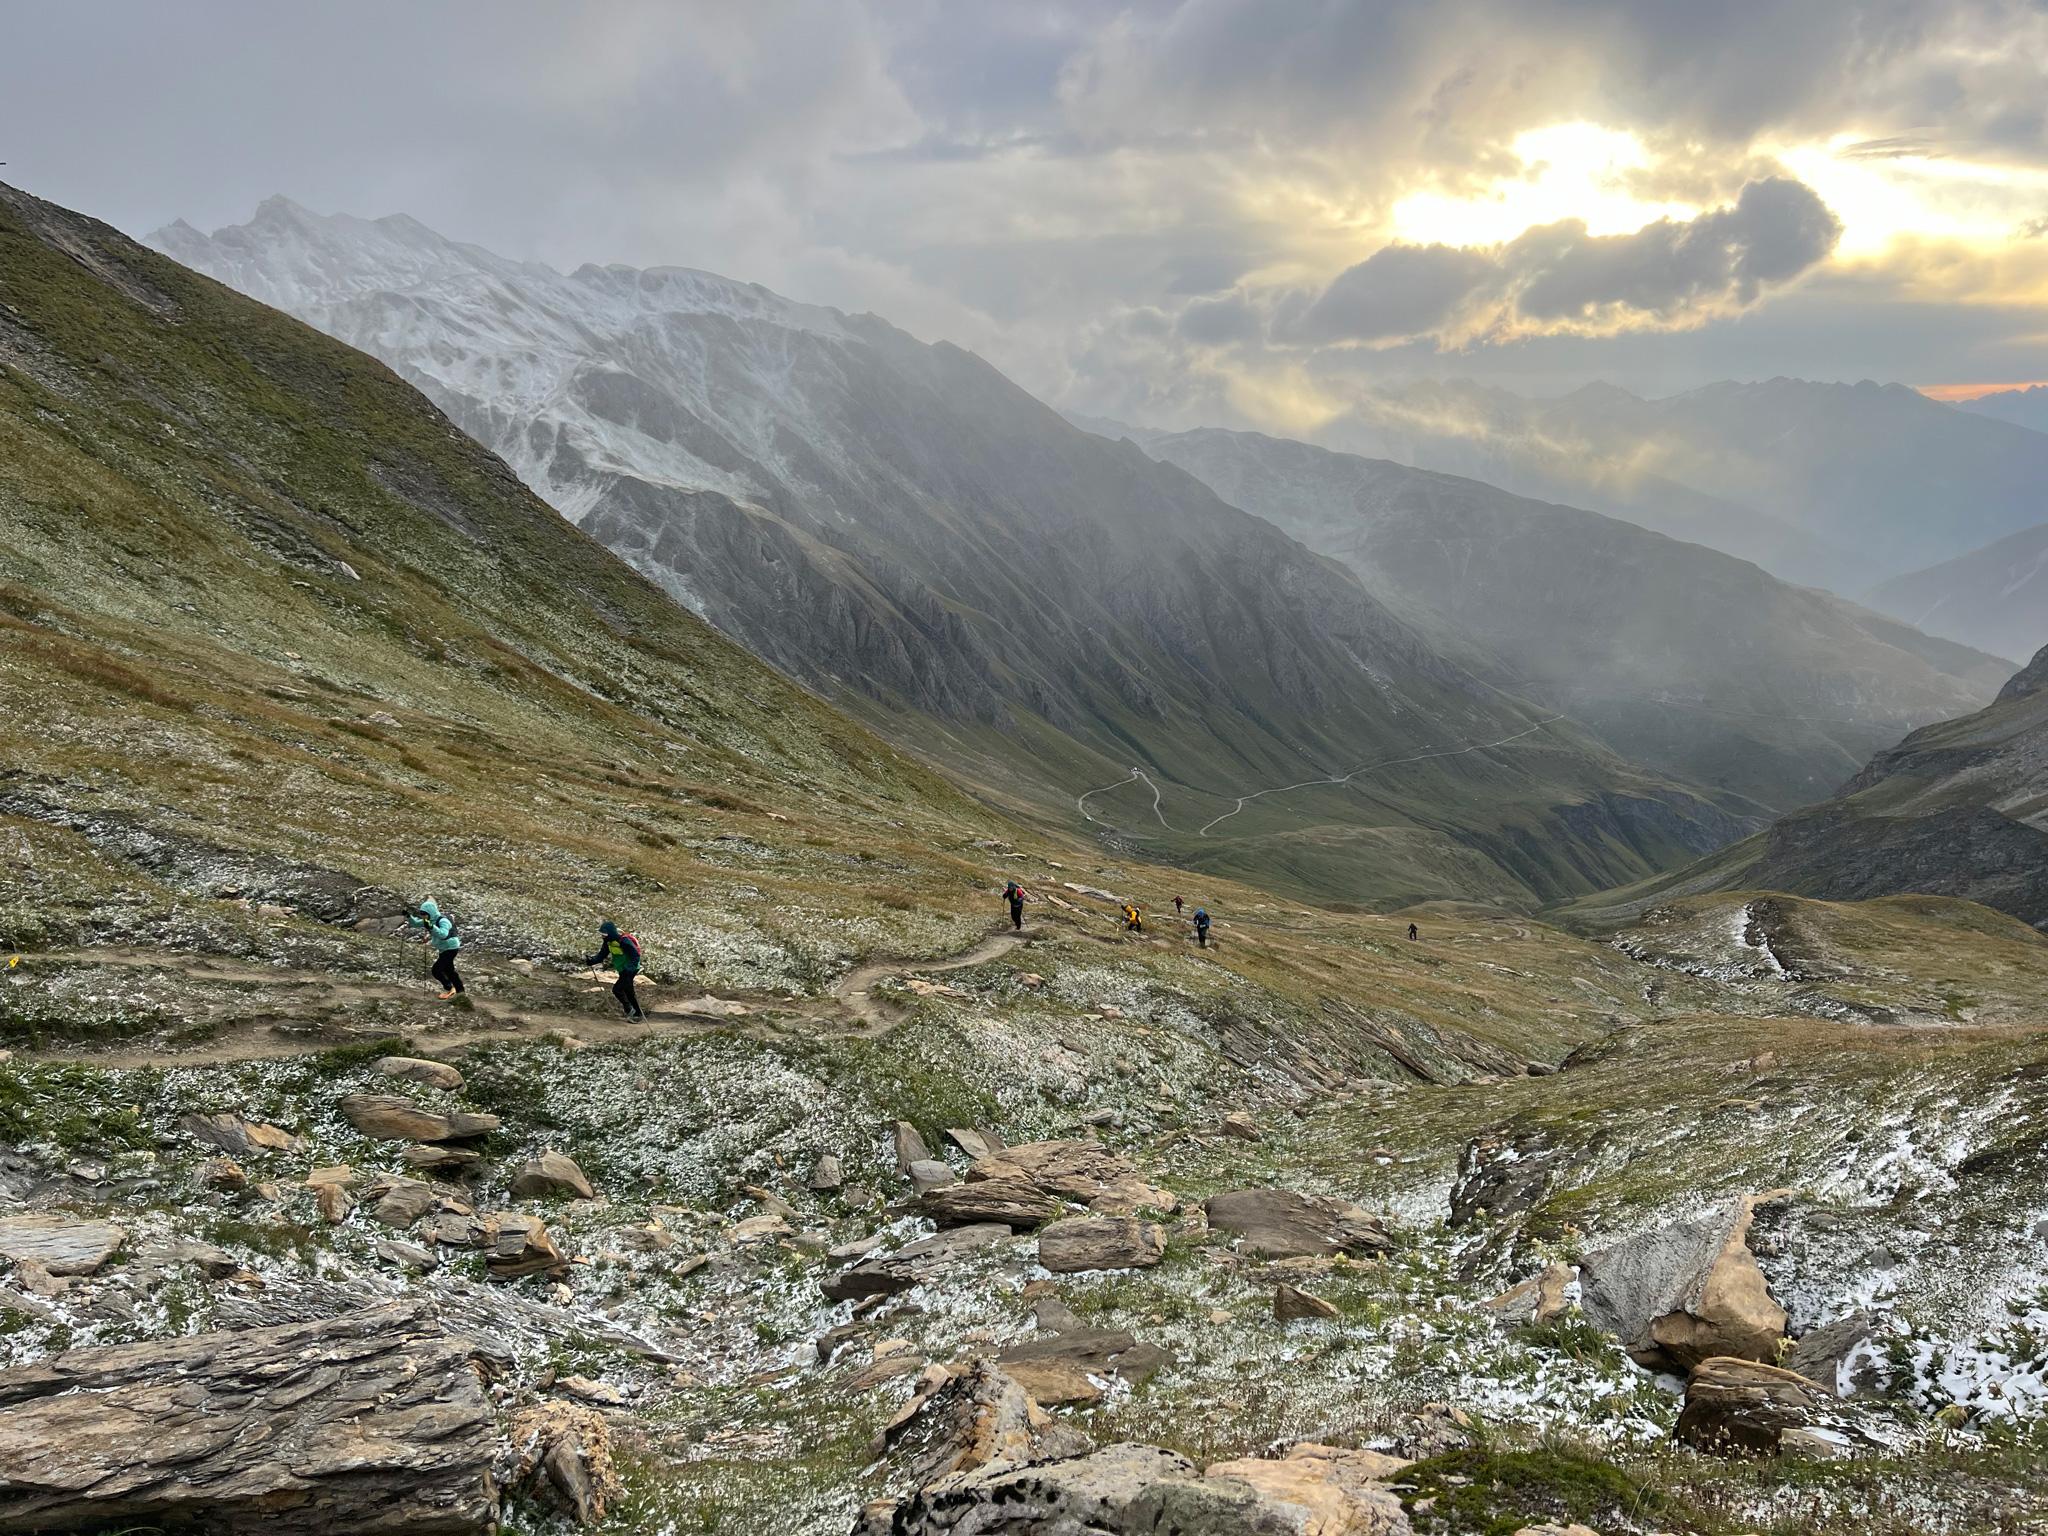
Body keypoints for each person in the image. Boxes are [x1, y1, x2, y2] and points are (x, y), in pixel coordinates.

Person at [582, 921, 644, 1019]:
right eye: (602, 934)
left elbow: (635, 955)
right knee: (628, 990)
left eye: (604, 934)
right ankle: (637, 1013)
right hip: (623, 969)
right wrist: (592, 961)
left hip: (629, 970)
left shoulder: (624, 941)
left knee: (617, 990)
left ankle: (631, 1011)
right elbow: (602, 955)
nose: (602, 936)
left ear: (610, 933)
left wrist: (629, 968)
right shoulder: (608, 942)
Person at [408, 898, 464, 999]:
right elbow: (415, 923)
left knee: (436, 970)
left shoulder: (443, 921)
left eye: (424, 914)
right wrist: (408, 917)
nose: (423, 916)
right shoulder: (429, 920)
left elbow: (443, 934)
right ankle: (459, 991)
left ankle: (450, 988)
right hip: (444, 948)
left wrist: (431, 927)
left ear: (431, 913)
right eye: (422, 914)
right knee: (449, 970)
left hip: (451, 947)